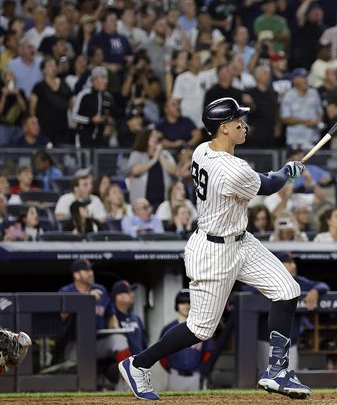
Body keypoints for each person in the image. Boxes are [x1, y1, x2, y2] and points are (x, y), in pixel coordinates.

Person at [119, 97, 310, 400]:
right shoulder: (232, 169)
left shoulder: (201, 150)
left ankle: (277, 370)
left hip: (241, 240)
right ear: (223, 128)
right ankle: (138, 364)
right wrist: (287, 171)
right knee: (199, 330)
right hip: (214, 251)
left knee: (287, 291)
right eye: (238, 122)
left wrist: (283, 172)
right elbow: (270, 185)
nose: (243, 126)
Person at [58, 259, 130, 383]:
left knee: (119, 340)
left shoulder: (100, 290)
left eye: (91, 270)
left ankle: (128, 382)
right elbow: (62, 315)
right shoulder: (66, 291)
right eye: (86, 270)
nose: (91, 273)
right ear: (76, 275)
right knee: (75, 375)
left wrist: (114, 326)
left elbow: (110, 315)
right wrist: (87, 298)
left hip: (98, 341)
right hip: (75, 344)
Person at [159, 290, 212, 391]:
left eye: (189, 303)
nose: (186, 306)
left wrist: (202, 369)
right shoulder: (168, 329)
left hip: (195, 376)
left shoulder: (201, 327)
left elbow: (208, 351)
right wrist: (170, 368)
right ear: (177, 305)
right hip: (175, 376)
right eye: (182, 303)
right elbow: (161, 355)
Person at [127, 129, 177, 208]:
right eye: (152, 136)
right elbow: (135, 171)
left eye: (155, 136)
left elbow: (174, 171)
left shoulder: (165, 154)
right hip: (142, 203)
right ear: (145, 138)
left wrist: (159, 155)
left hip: (163, 202)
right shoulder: (137, 154)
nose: (155, 138)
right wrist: (153, 160)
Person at [73, 66, 115, 147]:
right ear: (94, 80)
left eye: (106, 78)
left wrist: (109, 122)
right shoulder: (84, 94)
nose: (106, 81)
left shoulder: (108, 97)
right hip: (84, 137)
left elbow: (111, 116)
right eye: (103, 78)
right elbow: (74, 116)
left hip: (101, 139)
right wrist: (91, 120)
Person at [280, 68, 323, 148]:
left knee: (315, 160)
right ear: (294, 80)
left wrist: (318, 121)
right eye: (302, 77)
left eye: (306, 77)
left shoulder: (314, 93)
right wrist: (305, 121)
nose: (305, 79)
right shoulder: (288, 95)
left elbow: (319, 111)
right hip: (295, 140)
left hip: (313, 138)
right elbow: (285, 118)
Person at [110, 281, 146, 357]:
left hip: (138, 364)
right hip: (120, 365)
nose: (132, 295)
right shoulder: (111, 317)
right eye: (128, 293)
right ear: (118, 296)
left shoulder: (136, 318)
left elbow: (143, 343)